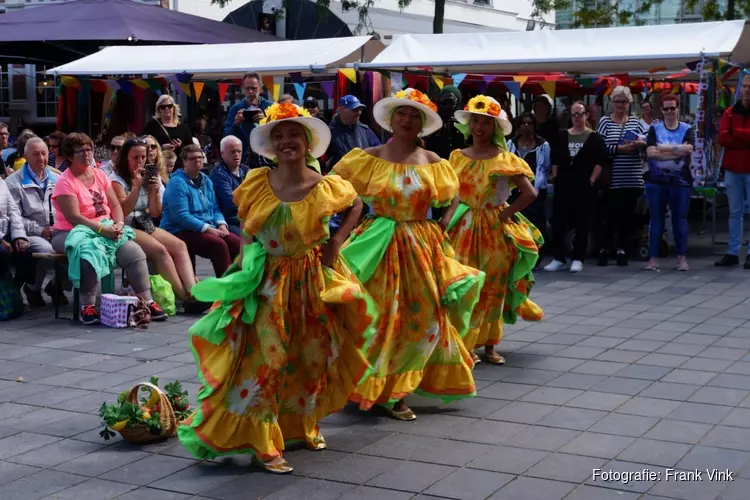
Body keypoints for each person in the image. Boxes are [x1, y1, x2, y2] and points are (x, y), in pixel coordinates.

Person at [178, 101, 377, 474]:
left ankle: (301, 425)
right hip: (267, 284)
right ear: (271, 145)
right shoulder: (256, 182)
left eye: (294, 136)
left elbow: (356, 204)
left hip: (311, 279)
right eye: (279, 136)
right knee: (266, 360)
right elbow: (249, 230)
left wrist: (336, 244)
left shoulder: (325, 185)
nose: (287, 142)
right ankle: (263, 441)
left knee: (310, 356)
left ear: (307, 143)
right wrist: (244, 274)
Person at [332, 88, 483, 420]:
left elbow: (454, 193)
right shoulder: (368, 156)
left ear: (423, 123)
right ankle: (367, 384)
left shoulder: (433, 161)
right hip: (379, 243)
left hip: (420, 243)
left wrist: (444, 219)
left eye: (415, 115)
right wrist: (342, 230)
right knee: (379, 315)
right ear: (391, 118)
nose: (407, 120)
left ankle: (400, 388)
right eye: (402, 113)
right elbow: (333, 190)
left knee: (422, 317)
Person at [447, 95, 542, 366]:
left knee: (492, 288)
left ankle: (489, 346)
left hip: (493, 231)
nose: (479, 127)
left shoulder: (505, 159)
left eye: (486, 123)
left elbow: (529, 193)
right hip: (462, 229)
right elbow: (450, 195)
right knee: (464, 286)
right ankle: (465, 345)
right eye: (475, 121)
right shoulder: (456, 157)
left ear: (495, 128)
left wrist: (504, 214)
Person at [51, 133, 167, 325]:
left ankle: (148, 301)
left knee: (135, 252)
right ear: (70, 156)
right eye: (81, 151)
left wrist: (119, 225)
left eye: (90, 149)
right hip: (70, 232)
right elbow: (74, 217)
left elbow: (115, 207)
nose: (87, 154)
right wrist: (101, 230)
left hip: (105, 227)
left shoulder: (99, 174)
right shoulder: (65, 181)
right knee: (89, 252)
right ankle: (87, 306)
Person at [110, 138, 207, 311]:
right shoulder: (116, 180)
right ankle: (184, 297)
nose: (141, 161)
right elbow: (123, 211)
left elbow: (155, 212)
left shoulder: (147, 175)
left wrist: (154, 191)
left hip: (145, 222)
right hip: (126, 225)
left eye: (143, 157)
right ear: (126, 158)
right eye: (136, 157)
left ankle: (194, 292)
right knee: (160, 251)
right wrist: (137, 188)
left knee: (179, 246)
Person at [544, 101, 609, 273]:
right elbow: (556, 158)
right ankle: (558, 258)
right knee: (558, 220)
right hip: (564, 183)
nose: (577, 117)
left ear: (586, 115)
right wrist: (555, 174)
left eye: (580, 113)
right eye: (574, 114)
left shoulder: (594, 137)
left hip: (583, 184)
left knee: (582, 221)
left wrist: (592, 179)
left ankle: (577, 258)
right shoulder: (562, 135)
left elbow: (600, 161)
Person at [160, 144, 241, 277]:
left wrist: (221, 224)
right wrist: (208, 229)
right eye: (192, 159)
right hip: (179, 229)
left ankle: (241, 282)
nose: (197, 161)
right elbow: (181, 216)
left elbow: (214, 208)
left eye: (200, 157)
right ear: (184, 162)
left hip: (206, 226)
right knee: (218, 245)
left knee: (236, 242)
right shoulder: (177, 183)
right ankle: (226, 288)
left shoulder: (206, 180)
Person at [6, 137, 68, 307]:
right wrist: (40, 230)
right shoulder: (14, 182)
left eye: (44, 154)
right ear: (26, 156)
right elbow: (13, 217)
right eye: (36, 154)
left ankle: (55, 286)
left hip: (58, 229)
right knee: (47, 250)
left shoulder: (57, 178)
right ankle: (33, 288)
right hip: (29, 233)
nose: (41, 158)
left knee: (76, 248)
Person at [644, 94, 695, 272]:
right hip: (656, 181)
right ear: (661, 110)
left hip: (681, 181)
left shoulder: (687, 128)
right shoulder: (654, 129)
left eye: (673, 108)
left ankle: (681, 257)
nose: (670, 112)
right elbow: (651, 153)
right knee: (656, 219)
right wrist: (678, 151)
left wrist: (664, 148)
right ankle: (653, 258)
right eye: (666, 108)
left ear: (678, 109)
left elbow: (689, 149)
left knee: (679, 219)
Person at [597, 86, 647, 266]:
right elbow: (600, 148)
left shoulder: (636, 122)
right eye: (617, 101)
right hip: (612, 178)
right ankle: (604, 248)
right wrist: (619, 149)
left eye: (624, 101)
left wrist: (639, 144)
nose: (620, 105)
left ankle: (622, 249)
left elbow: (646, 144)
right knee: (609, 216)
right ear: (612, 103)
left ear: (629, 103)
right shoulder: (605, 121)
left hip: (632, 177)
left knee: (627, 217)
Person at [716, 74, 750, 268]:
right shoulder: (729, 112)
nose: (746, 90)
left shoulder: (730, 116)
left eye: (749, 87)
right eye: (744, 86)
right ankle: (733, 252)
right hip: (732, 169)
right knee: (734, 211)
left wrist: (735, 133)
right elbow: (722, 138)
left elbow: (729, 136)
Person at [508, 112, 552, 245]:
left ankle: (537, 255)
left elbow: (546, 166)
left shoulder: (543, 145)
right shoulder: (510, 144)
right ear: (519, 126)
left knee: (536, 223)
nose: (526, 126)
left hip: (535, 191)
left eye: (529, 123)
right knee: (515, 223)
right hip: (514, 192)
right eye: (523, 123)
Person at [224, 72, 274, 166]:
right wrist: (236, 124)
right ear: (243, 89)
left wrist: (265, 121)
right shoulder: (235, 109)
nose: (250, 92)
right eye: (247, 88)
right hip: (243, 159)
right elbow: (227, 137)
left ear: (260, 88)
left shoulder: (270, 107)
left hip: (267, 157)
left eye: (254, 88)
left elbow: (278, 132)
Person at [326, 95, 381, 172]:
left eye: (360, 109)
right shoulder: (329, 132)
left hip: (365, 178)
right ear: (341, 109)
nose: (359, 113)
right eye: (355, 109)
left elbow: (379, 152)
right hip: (341, 181)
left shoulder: (366, 131)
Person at [210, 136, 249, 237]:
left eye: (239, 151)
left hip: (251, 216)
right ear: (222, 153)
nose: (236, 155)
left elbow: (259, 194)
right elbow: (231, 202)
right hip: (231, 220)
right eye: (232, 152)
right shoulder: (218, 174)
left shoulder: (246, 170)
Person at [142, 95, 193, 170]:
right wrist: (161, 147)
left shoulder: (182, 127)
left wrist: (181, 146)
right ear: (159, 109)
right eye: (163, 107)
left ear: (174, 108)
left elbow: (191, 148)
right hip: (156, 166)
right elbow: (142, 144)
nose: (166, 108)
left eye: (169, 106)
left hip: (178, 167)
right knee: (153, 181)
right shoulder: (151, 125)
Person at [424, 86, 467, 161]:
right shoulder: (433, 120)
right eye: (444, 102)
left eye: (451, 102)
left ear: (457, 103)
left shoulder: (463, 122)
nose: (447, 106)